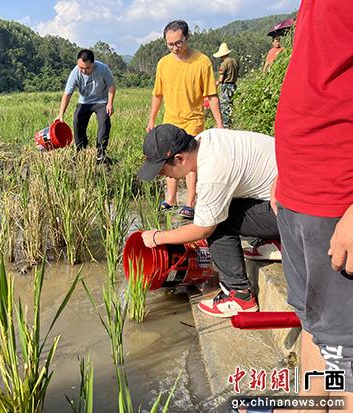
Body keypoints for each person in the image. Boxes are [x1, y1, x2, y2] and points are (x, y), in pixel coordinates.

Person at [274, 0, 353, 400]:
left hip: (336, 196)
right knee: (312, 326)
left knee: (345, 354)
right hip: (297, 191)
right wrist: (284, 177)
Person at [138, 124, 280, 318]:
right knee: (217, 208)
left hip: (294, 212)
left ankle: (239, 295)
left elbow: (203, 229)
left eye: (163, 170)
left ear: (179, 159)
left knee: (217, 221)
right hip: (286, 196)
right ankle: (274, 241)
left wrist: (158, 237)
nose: (164, 176)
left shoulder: (213, 170)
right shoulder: (207, 139)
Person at [147, 20, 223, 220]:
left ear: (187, 38)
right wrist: (152, 119)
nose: (175, 48)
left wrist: (220, 125)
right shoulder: (163, 63)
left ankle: (190, 202)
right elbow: (157, 94)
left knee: (190, 161)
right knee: (169, 159)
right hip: (171, 119)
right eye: (170, 44)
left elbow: (211, 96)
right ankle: (171, 199)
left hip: (193, 120)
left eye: (178, 43)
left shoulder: (202, 61)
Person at [57, 49, 115, 164]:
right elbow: (67, 94)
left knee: (104, 122)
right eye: (81, 67)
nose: (83, 71)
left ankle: (101, 153)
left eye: (87, 68)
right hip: (84, 101)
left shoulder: (103, 69)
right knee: (77, 121)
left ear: (93, 63)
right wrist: (60, 114)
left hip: (101, 101)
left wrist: (109, 103)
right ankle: (80, 151)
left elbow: (111, 86)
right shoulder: (75, 72)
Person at [213, 43, 239, 129]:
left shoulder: (224, 64)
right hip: (234, 86)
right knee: (230, 105)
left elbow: (221, 79)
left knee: (224, 107)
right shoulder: (234, 61)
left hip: (226, 87)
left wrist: (215, 84)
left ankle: (226, 126)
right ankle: (230, 124)